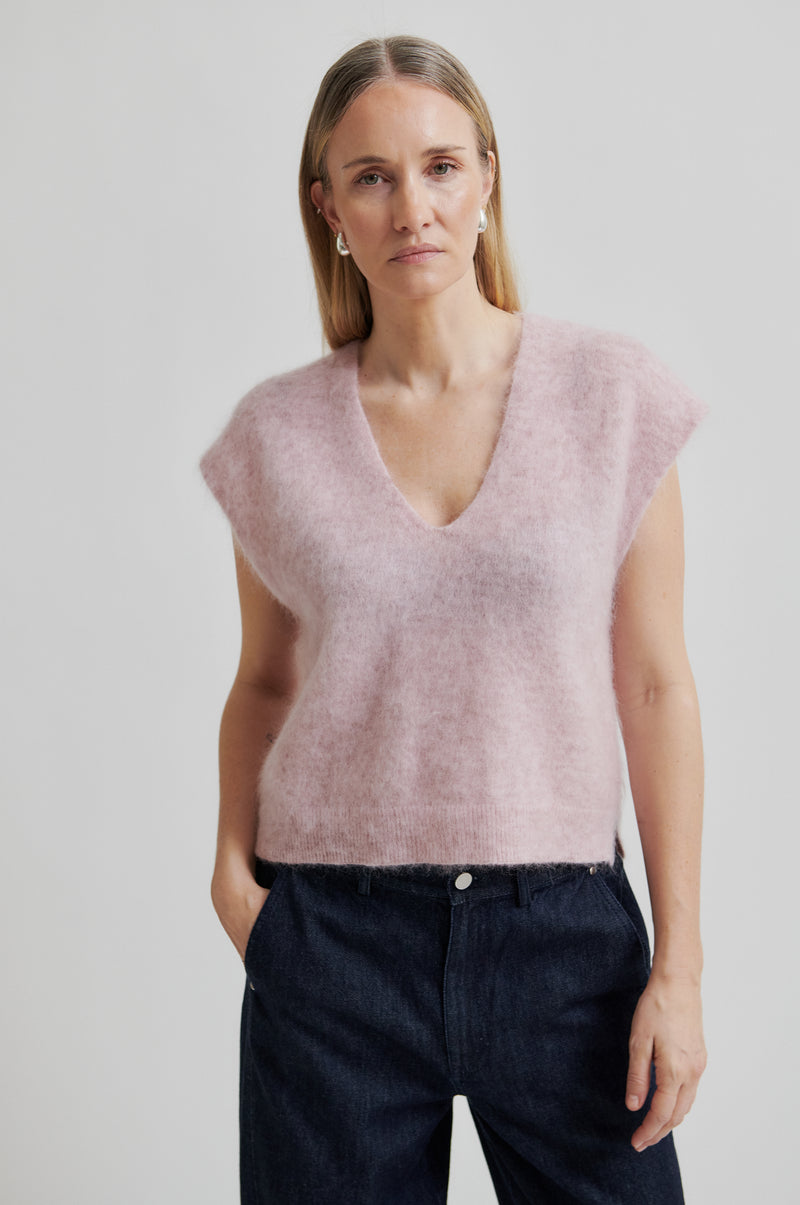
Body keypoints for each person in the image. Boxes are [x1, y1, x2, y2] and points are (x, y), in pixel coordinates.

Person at [199, 34, 709, 1205]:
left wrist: (677, 964)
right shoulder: (275, 436)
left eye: (438, 166)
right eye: (371, 177)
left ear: (486, 176)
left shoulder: (608, 396)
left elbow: (655, 684)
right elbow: (264, 680)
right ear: (328, 208)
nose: (411, 207)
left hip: (565, 939)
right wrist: (234, 882)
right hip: (331, 945)